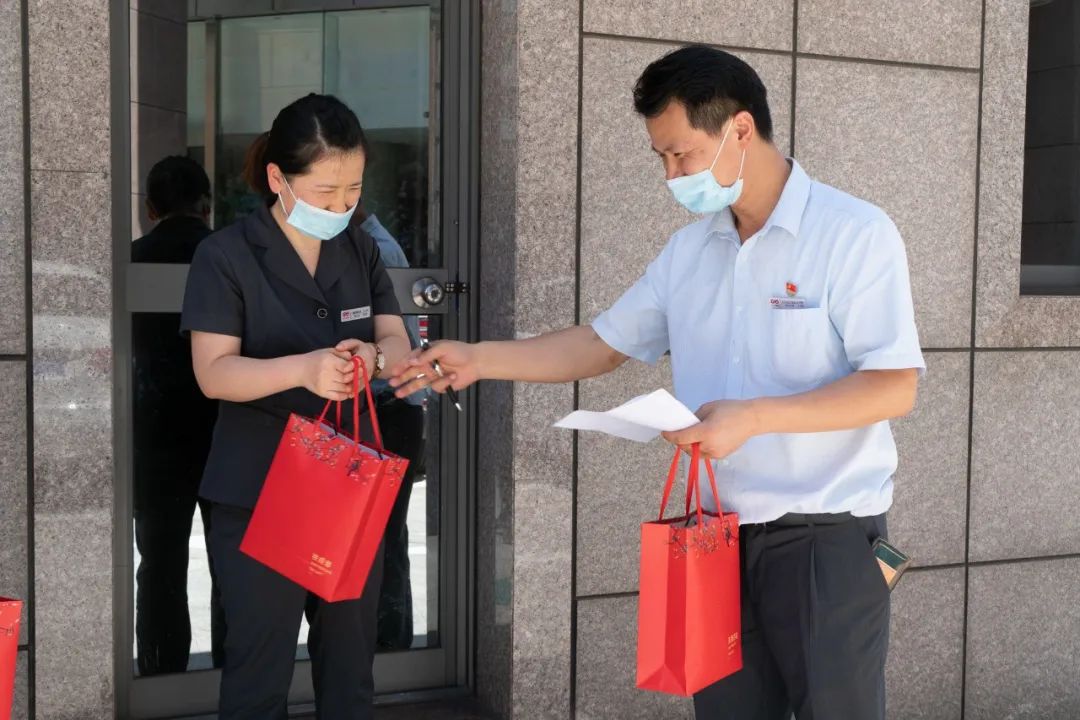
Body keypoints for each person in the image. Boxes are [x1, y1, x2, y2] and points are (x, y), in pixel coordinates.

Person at [389, 45, 924, 720]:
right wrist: (478, 359)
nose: (672, 175)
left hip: (825, 538)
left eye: (681, 154)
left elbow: (893, 387)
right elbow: (600, 344)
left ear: (740, 129)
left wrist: (753, 417)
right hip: (713, 538)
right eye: (661, 158)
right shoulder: (690, 251)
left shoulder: (853, 234)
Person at [180, 93, 411, 718]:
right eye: (325, 191)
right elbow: (214, 373)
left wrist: (373, 357)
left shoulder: (358, 247)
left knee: (350, 665)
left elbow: (396, 340)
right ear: (278, 178)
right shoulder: (226, 255)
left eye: (353, 190)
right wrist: (305, 369)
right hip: (257, 487)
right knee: (260, 667)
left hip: (348, 482)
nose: (340, 206)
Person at [131, 155, 225, 674]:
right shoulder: (229, 258)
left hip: (155, 432)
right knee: (231, 563)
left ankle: (161, 675)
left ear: (150, 208)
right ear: (206, 206)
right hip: (224, 430)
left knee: (160, 564)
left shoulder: (131, 259)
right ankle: (236, 674)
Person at [353, 206, 426, 651]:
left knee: (383, 542)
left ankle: (390, 651)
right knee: (384, 539)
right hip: (389, 408)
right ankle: (388, 648)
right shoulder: (371, 243)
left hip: (387, 408)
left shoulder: (373, 249)